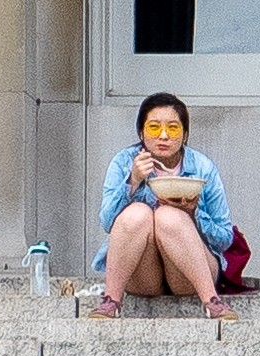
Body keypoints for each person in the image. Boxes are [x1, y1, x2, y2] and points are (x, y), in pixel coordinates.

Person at [90, 92, 232, 318]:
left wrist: (194, 215)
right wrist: (133, 181)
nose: (164, 136)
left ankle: (212, 302)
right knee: (137, 213)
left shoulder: (202, 167)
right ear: (141, 133)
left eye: (173, 128)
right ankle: (111, 301)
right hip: (143, 274)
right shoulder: (125, 161)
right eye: (154, 128)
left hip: (189, 274)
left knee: (169, 216)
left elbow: (225, 238)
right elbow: (108, 222)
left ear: (185, 134)